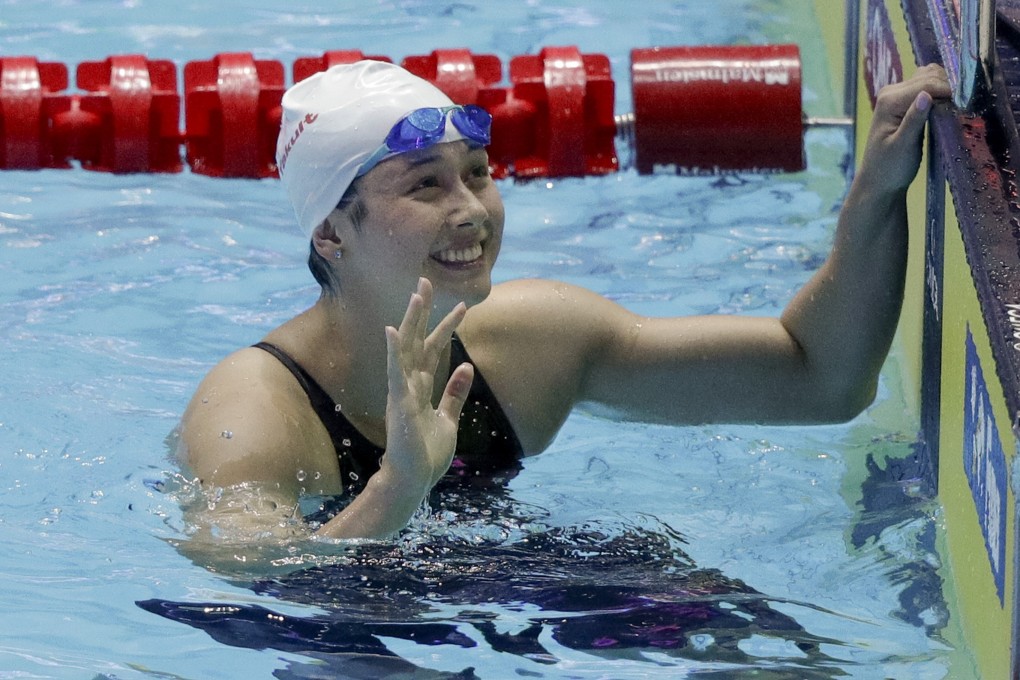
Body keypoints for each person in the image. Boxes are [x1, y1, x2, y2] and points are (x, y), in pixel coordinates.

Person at [175, 59, 952, 540]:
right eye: (425, 185)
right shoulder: (254, 414)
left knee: (697, 603)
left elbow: (822, 378)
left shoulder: (533, 341)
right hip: (335, 639)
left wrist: (876, 193)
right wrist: (399, 487)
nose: (473, 209)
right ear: (331, 235)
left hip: (501, 596)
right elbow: (251, 581)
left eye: (477, 171)